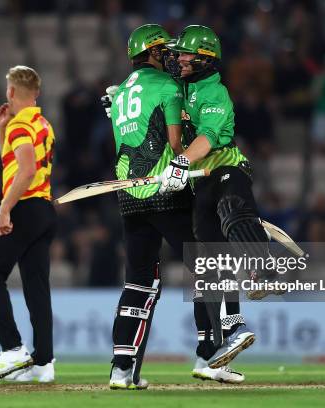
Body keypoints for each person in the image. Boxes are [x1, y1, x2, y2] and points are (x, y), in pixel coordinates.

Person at [103, 24, 244, 390]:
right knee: (209, 264)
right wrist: (186, 163)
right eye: (164, 51)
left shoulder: (120, 96)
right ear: (151, 54)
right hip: (166, 192)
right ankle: (210, 352)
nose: (171, 56)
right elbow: (177, 142)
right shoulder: (168, 87)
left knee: (138, 282)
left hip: (129, 196)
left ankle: (122, 369)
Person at [162, 25, 283, 369]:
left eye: (185, 54)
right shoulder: (179, 90)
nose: (179, 58)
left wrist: (182, 162)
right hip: (201, 183)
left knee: (233, 210)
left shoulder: (215, 93)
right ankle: (234, 326)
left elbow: (208, 138)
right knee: (214, 260)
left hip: (227, 168)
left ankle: (263, 271)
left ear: (204, 59)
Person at [0, 66, 56, 383]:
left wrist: (4, 209)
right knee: (37, 289)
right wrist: (1, 130)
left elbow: (25, 171)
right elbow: (14, 164)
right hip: (43, 210)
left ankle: (12, 350)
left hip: (23, 207)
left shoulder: (20, 125)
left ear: (11, 92)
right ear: (36, 93)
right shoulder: (42, 124)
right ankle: (44, 362)